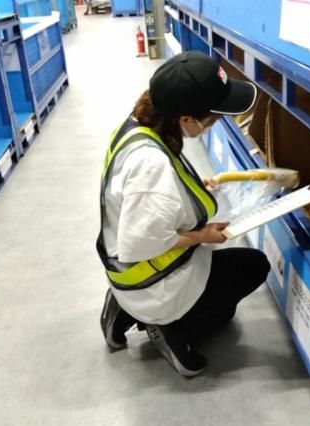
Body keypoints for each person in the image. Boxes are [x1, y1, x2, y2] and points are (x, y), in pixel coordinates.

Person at [97, 51, 271, 377]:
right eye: (213, 117)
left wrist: (187, 188)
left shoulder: (139, 124)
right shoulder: (151, 166)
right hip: (153, 282)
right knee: (251, 270)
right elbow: (141, 243)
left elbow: (143, 200)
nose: (215, 122)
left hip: (129, 272)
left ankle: (128, 307)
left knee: (228, 284)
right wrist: (203, 235)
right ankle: (170, 329)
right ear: (187, 119)